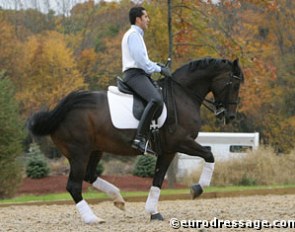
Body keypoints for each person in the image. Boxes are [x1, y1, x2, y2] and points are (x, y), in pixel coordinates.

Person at [121, 6, 172, 155]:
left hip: (139, 74)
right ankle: (139, 139)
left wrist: (158, 65)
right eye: (146, 17)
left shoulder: (136, 35)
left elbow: (144, 61)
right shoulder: (134, 35)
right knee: (156, 99)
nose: (148, 19)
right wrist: (159, 69)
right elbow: (142, 62)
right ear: (138, 19)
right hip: (135, 75)